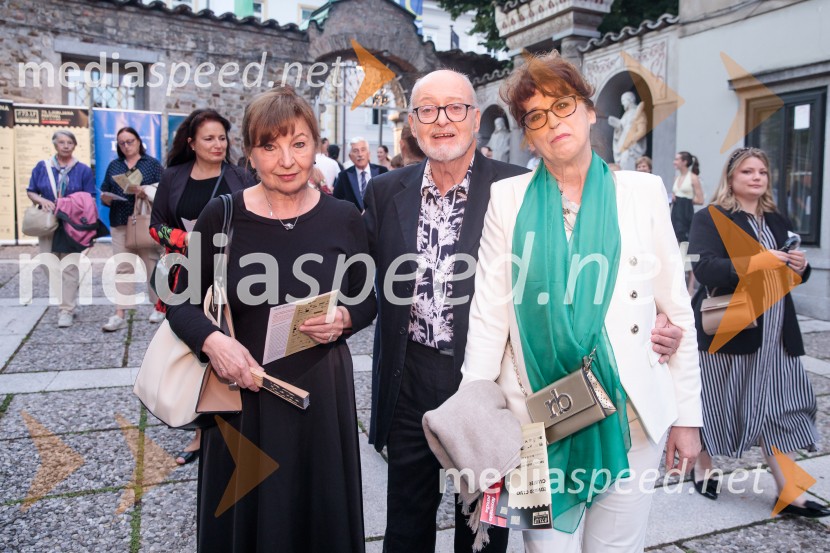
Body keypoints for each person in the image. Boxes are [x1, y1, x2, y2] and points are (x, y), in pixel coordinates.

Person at [364, 68, 684, 553]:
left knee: (486, 530)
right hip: (426, 381)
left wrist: (649, 327)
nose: (442, 120)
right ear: (411, 123)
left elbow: (637, 291)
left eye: (456, 108)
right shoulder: (391, 192)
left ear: (475, 119)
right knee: (409, 522)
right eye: (427, 110)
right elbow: (368, 278)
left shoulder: (515, 187)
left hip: (526, 390)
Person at [460, 52, 701, 552]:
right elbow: (489, 314)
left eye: (564, 105)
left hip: (629, 411)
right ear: (528, 134)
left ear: (590, 111)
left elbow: (676, 309)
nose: (554, 123)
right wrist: (477, 421)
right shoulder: (507, 199)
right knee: (544, 549)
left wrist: (687, 417)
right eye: (537, 116)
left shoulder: (643, 191)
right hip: (534, 418)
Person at [166, 86, 376, 551]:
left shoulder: (343, 217)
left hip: (319, 396)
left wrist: (344, 318)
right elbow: (178, 300)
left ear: (316, 147)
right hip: (242, 397)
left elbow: (368, 299)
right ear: (249, 153)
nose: (286, 159)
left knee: (320, 519)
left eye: (299, 144)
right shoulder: (221, 216)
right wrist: (213, 342)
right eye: (270, 145)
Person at [688, 147, 826, 517]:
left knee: (784, 407)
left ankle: (790, 492)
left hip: (778, 334)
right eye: (747, 171)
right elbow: (705, 271)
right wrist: (756, 262)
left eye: (762, 172)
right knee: (716, 404)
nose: (756, 177)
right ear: (731, 177)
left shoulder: (776, 220)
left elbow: (791, 275)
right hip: (732, 330)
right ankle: (703, 465)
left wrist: (801, 266)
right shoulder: (712, 218)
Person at [150, 108, 254, 466]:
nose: (217, 145)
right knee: (193, 346)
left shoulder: (240, 176)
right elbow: (156, 226)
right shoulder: (174, 177)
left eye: (222, 138)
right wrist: (188, 239)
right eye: (209, 138)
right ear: (192, 143)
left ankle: (221, 421)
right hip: (187, 274)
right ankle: (197, 425)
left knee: (227, 343)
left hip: (232, 276)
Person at [26, 130, 96, 328]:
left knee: (69, 265)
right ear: (55, 145)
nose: (65, 145)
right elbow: (31, 191)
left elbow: (89, 196)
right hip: (48, 221)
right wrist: (43, 200)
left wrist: (69, 204)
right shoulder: (43, 167)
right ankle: (68, 296)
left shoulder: (83, 170)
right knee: (47, 263)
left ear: (74, 146)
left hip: (71, 222)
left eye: (69, 142)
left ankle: (66, 309)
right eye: (61, 142)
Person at [100, 127, 165, 331]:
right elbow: (105, 191)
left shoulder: (151, 164)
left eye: (130, 141)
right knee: (123, 267)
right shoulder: (114, 165)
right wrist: (106, 198)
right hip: (120, 220)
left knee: (152, 265)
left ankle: (159, 307)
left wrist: (146, 191)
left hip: (144, 221)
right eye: (122, 143)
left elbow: (164, 191)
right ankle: (120, 311)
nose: (127, 146)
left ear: (139, 141)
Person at [332, 137, 388, 211]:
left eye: (363, 150)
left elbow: (389, 198)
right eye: (355, 151)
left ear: (369, 154)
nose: (360, 154)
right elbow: (336, 202)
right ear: (350, 156)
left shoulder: (382, 172)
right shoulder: (343, 176)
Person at [607, 91, 648, 170]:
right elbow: (622, 130)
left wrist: (630, 141)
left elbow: (642, 131)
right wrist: (618, 127)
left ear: (630, 100)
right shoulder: (625, 115)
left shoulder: (638, 113)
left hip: (631, 149)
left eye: (624, 101)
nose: (623, 104)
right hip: (623, 146)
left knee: (628, 170)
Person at [670, 151, 704, 243]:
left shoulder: (693, 178)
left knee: (684, 240)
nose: (674, 162)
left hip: (685, 212)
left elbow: (700, 200)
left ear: (684, 162)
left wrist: (685, 200)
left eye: (677, 159)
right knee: (674, 237)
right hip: (675, 212)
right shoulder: (676, 178)